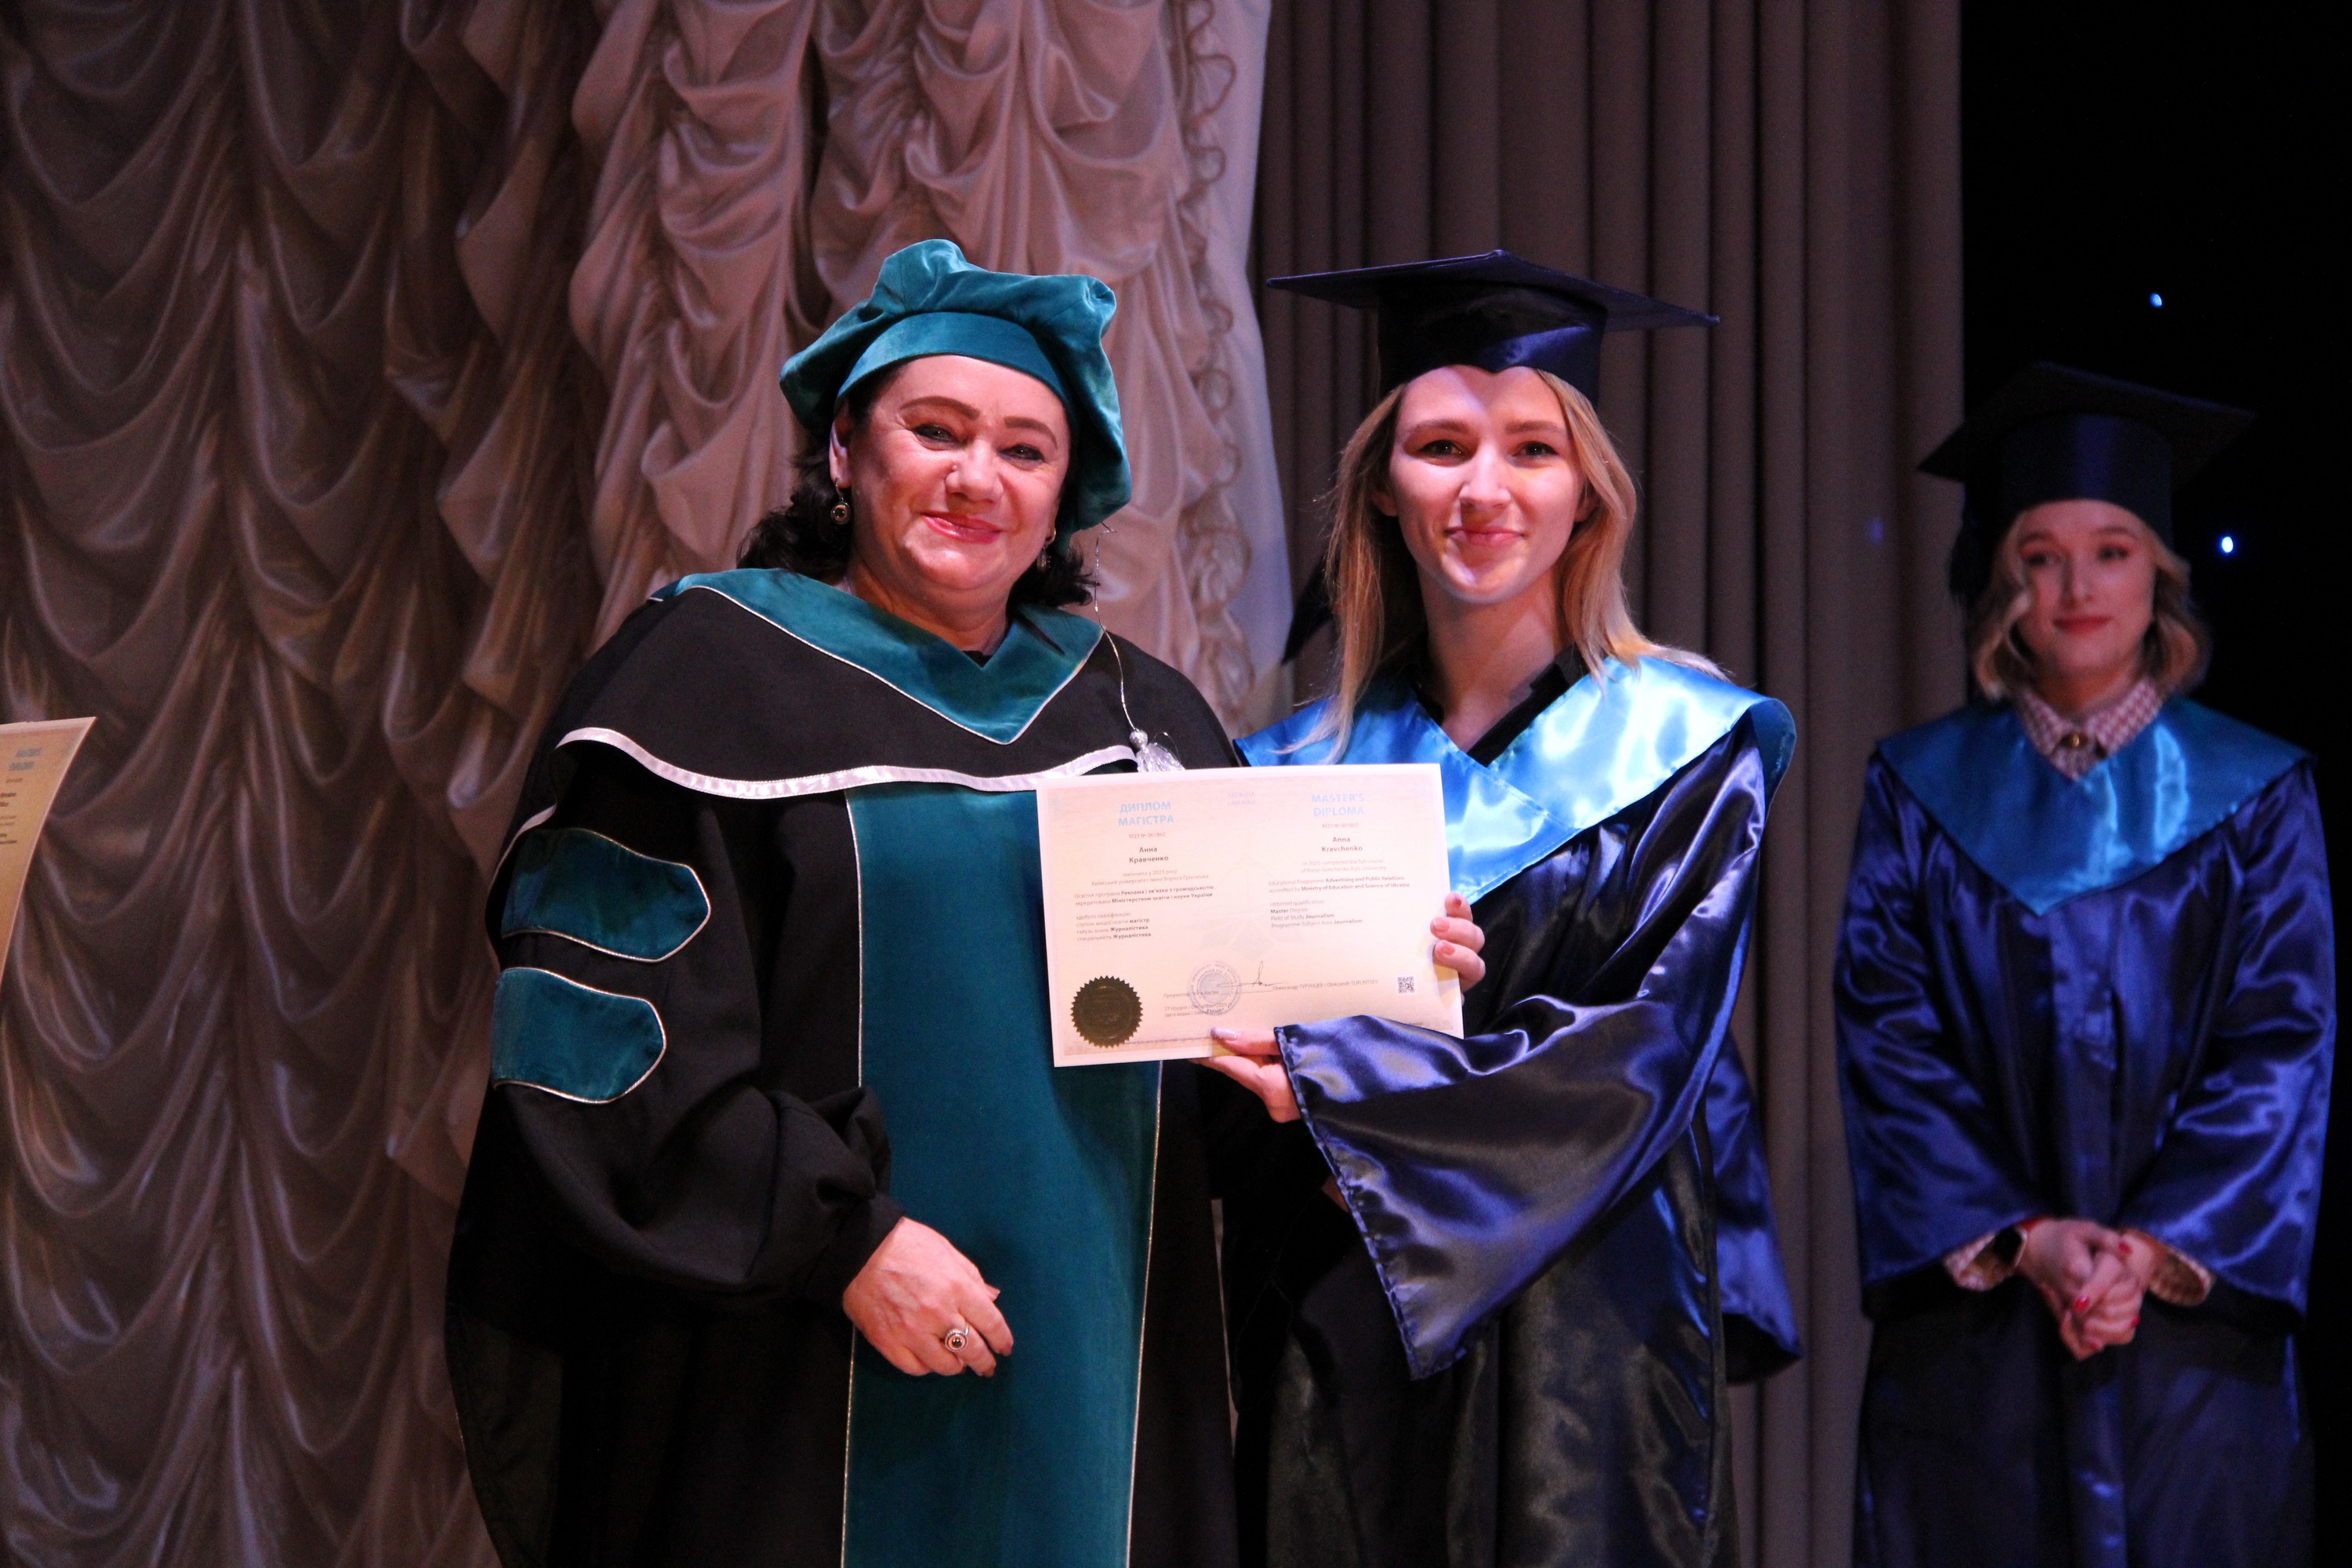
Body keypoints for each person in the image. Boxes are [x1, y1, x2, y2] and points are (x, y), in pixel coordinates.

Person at [445, 238, 1487, 1568]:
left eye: (1024, 450)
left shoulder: (1139, 715)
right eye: (935, 431)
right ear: (844, 452)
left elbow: (1219, 1081)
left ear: (1063, 498)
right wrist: (844, 1245)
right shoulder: (705, 678)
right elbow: (603, 1049)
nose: (976, 477)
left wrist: (1361, 1012)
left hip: (1098, 1369)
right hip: (795, 1363)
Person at [1202, 252, 1800, 1568]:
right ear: (1382, 487)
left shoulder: (1690, 752)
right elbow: (1222, 1110)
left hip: (1594, 1334)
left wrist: (1345, 1081)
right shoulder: (1280, 776)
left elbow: (1640, 1058)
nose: (1485, 489)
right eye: (1440, 447)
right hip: (1347, 1320)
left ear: (1589, 494)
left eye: (1533, 449)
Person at [1835, 362, 2333, 1568]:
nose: (2076, 587)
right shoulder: (1919, 790)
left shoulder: (2256, 793)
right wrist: (2029, 1238)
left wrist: (2150, 1251)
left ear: (2159, 574)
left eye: (2111, 552)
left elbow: (2280, 1045)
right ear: (2004, 582)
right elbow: (1887, 1037)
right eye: (2041, 555)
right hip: (1981, 1334)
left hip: (2190, 1345)